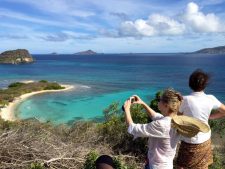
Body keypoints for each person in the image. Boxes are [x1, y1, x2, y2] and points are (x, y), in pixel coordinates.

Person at [176, 69, 225, 169]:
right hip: (205, 139)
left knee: (183, 166)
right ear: (205, 85)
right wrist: (210, 117)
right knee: (203, 165)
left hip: (188, 140)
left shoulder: (184, 100)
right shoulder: (211, 98)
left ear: (190, 84)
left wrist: (178, 101)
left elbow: (178, 118)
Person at [123, 88, 183, 169]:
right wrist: (142, 103)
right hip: (166, 164)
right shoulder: (175, 121)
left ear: (166, 105)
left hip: (156, 166)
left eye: (160, 100)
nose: (158, 102)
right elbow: (155, 116)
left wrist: (127, 109)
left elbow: (133, 128)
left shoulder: (161, 125)